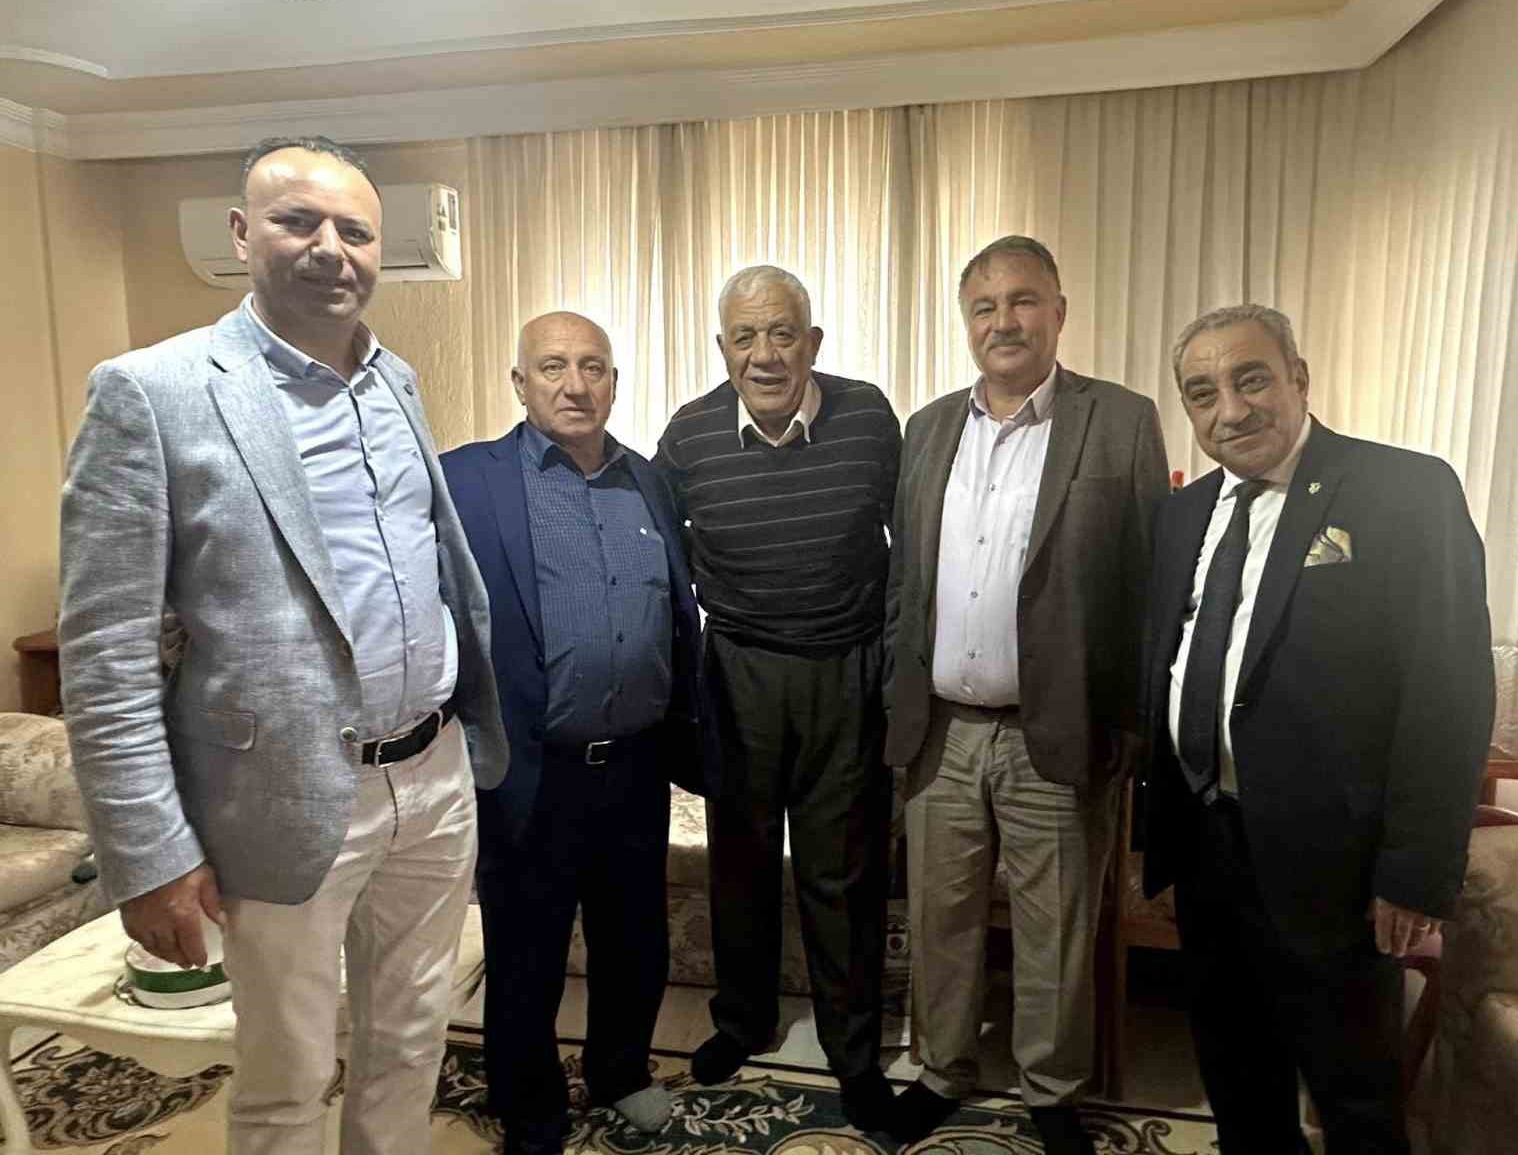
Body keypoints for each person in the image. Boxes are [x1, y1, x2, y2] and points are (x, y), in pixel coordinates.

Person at [57, 135, 508, 1155]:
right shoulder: (151, 392)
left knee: (412, 1043)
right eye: (297, 222)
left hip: (432, 776)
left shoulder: (395, 382)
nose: (329, 249)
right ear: (241, 233)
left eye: (355, 230)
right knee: (286, 1076)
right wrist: (149, 855)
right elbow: (104, 654)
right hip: (283, 796)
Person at [1141, 303, 1494, 1153]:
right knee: (1237, 1078)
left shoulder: (1404, 491)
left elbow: (1448, 691)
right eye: (1202, 393)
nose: (1231, 410)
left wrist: (1414, 873)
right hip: (1208, 843)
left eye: (1251, 379)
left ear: (1299, 378)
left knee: (1355, 1097)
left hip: (1337, 867)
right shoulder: (1183, 514)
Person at [882, 235, 1168, 1155]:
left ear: (1058, 311)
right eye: (984, 306)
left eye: (1023, 300)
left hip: (1061, 728)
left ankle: (1052, 1089)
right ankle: (941, 1069)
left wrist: (1129, 725)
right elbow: (904, 583)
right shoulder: (928, 427)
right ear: (966, 321)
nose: (1003, 321)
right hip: (939, 730)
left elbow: (1146, 583)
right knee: (941, 917)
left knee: (1058, 927)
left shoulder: (1119, 421)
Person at [440, 311, 717, 1155]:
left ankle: (621, 1072)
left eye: (592, 366)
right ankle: (530, 1106)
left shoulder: (650, 483)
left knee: (634, 940)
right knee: (526, 949)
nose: (574, 384)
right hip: (530, 767)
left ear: (614, 383)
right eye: (553, 366)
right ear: (519, 383)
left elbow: (677, 612)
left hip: (635, 764)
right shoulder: (466, 481)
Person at [653, 265, 901, 1130]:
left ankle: (854, 1051)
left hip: (846, 670)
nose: (765, 354)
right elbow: (662, 553)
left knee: (845, 872)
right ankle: (742, 1022)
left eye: (782, 333)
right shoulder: (688, 435)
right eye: (745, 337)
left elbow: (909, 547)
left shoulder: (868, 417)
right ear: (722, 348)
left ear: (813, 342)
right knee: (742, 862)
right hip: (740, 672)